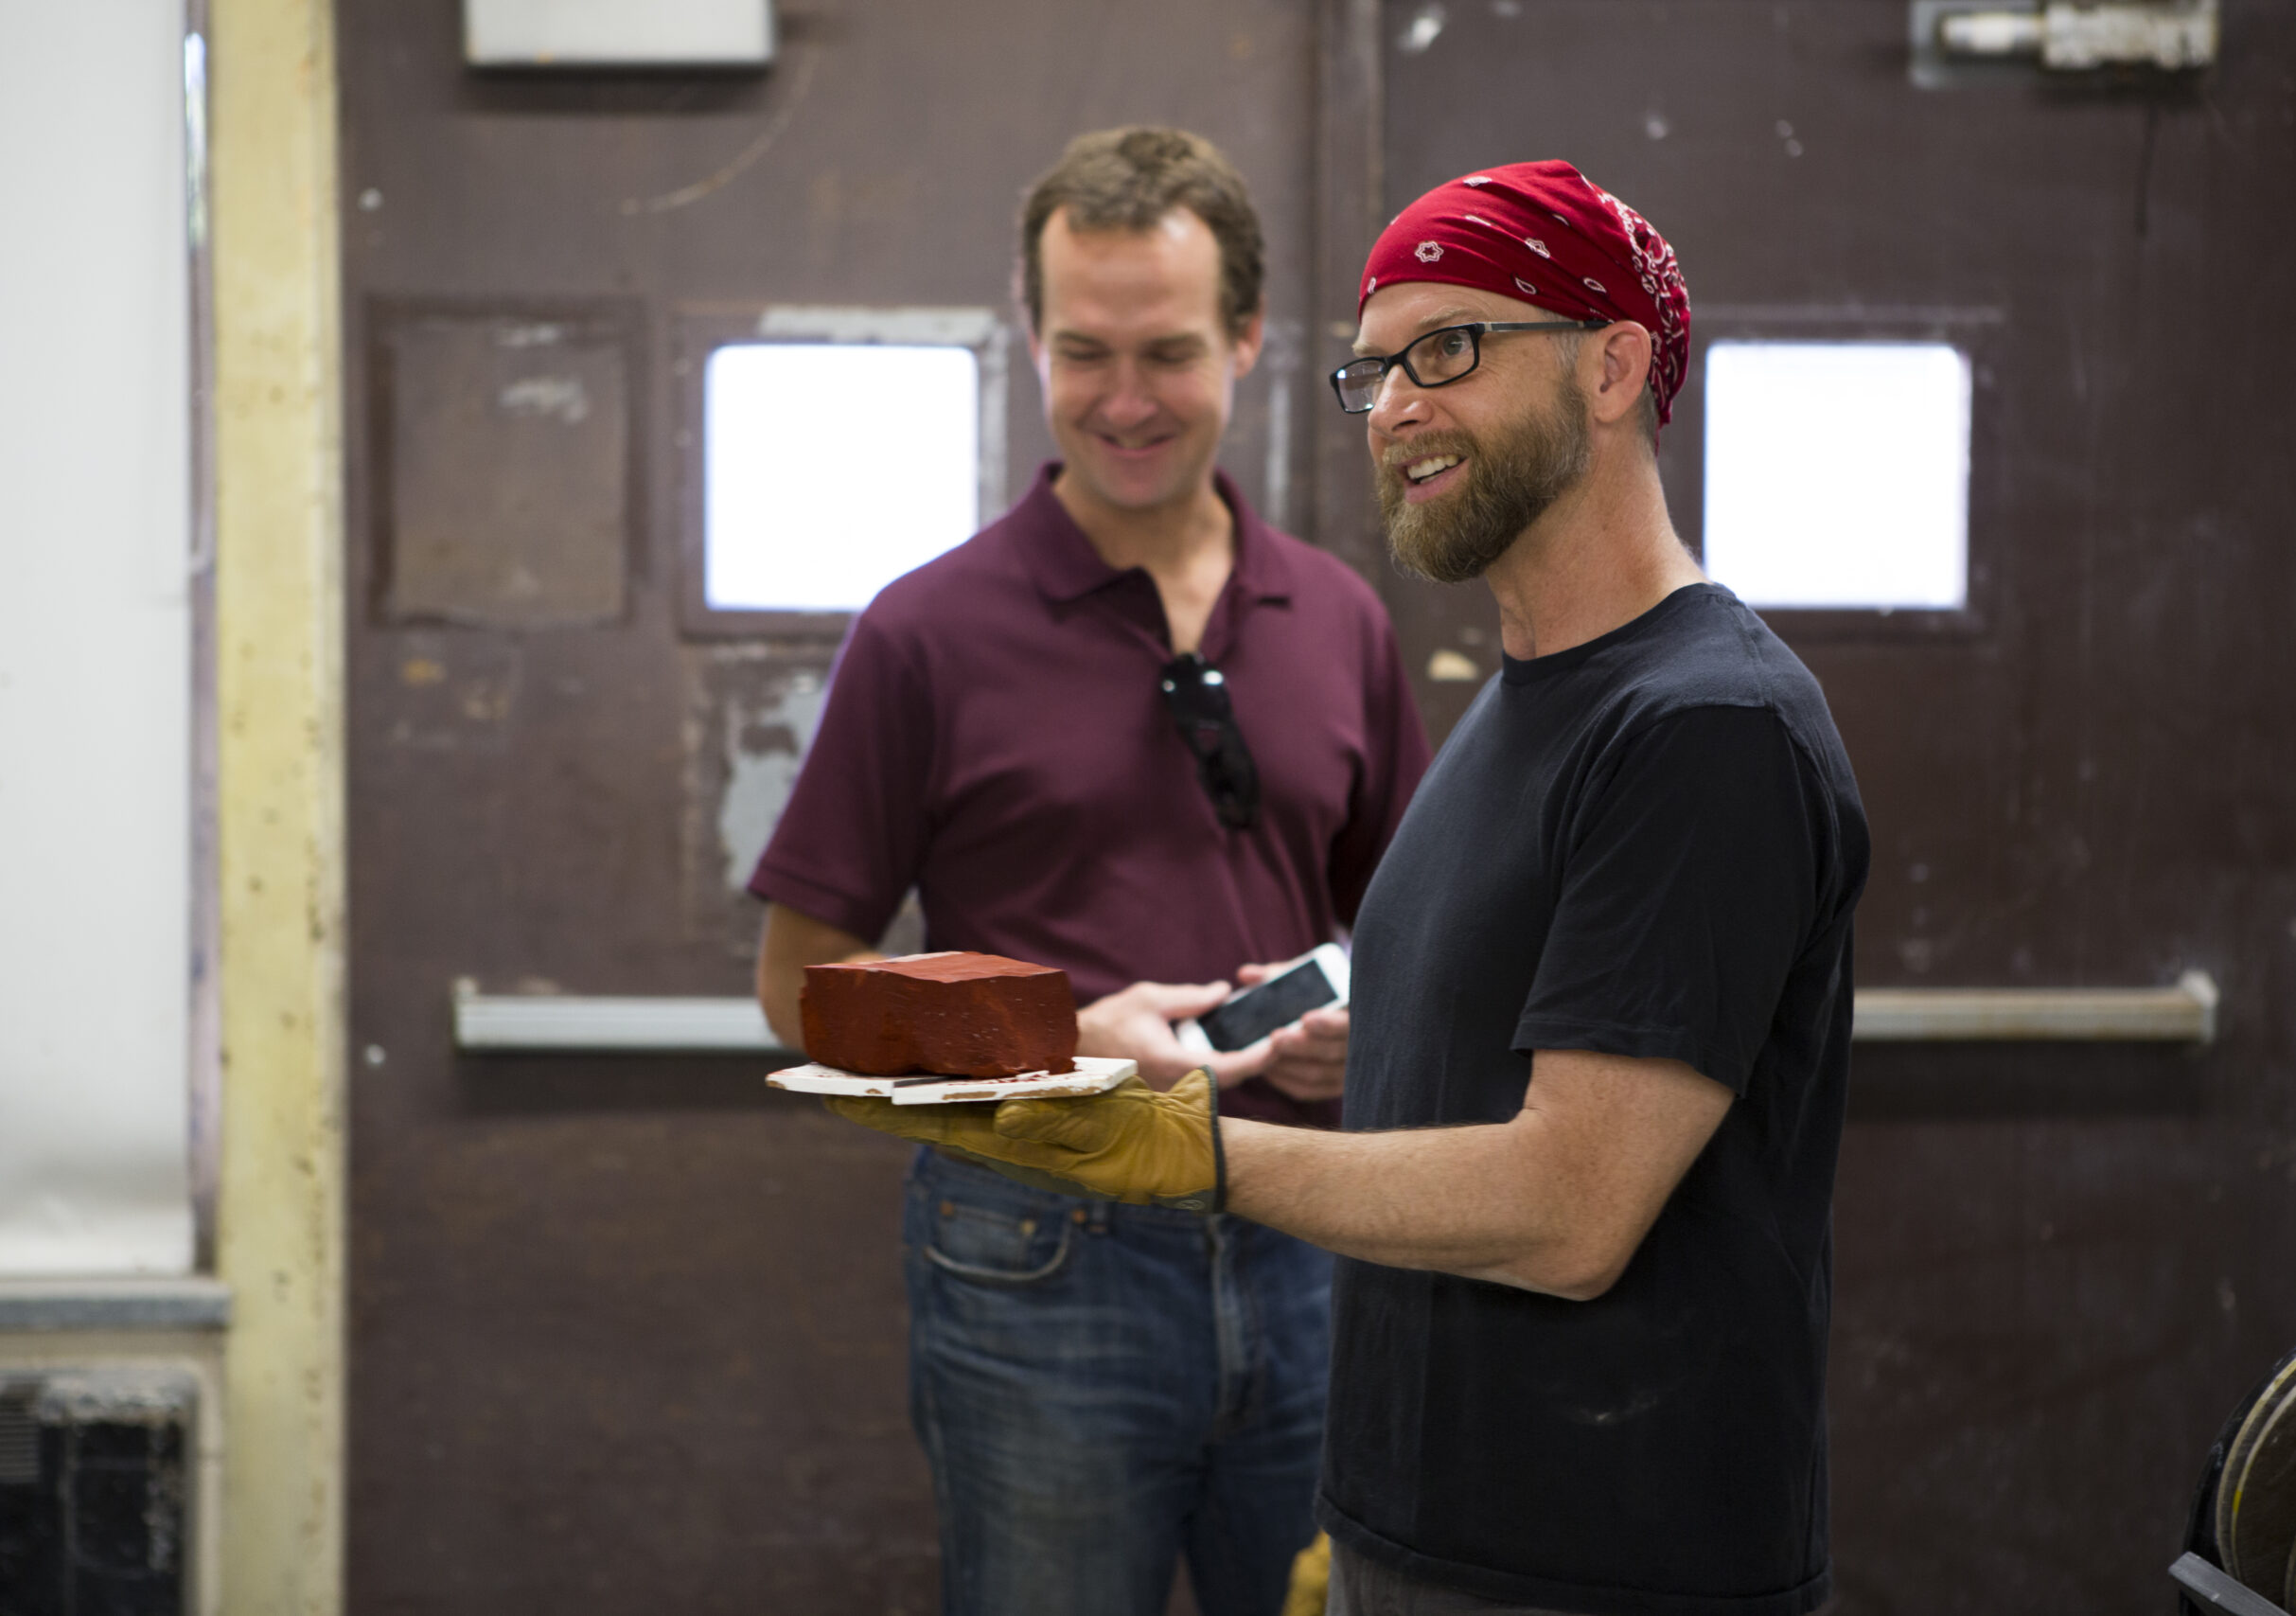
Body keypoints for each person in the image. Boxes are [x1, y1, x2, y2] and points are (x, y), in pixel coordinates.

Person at [823, 158, 1872, 1616]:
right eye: (1374, 371)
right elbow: (1479, 1022)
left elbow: (1571, 1211)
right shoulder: (1522, 709)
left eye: (1451, 350)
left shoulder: (1702, 726)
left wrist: (1190, 1146)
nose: (1395, 410)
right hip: (1417, 1525)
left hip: (1602, 1563)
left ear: (1617, 362)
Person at [749, 126, 1430, 1616]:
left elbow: (1421, 940)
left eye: (1170, 352)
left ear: (1250, 337)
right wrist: (1053, 1041)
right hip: (1035, 1256)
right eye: (1085, 352)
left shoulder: (1339, 619)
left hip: (1316, 1228)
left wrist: (1370, 1037)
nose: (1126, 401)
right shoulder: (924, 634)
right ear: (1032, 334)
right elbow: (802, 996)